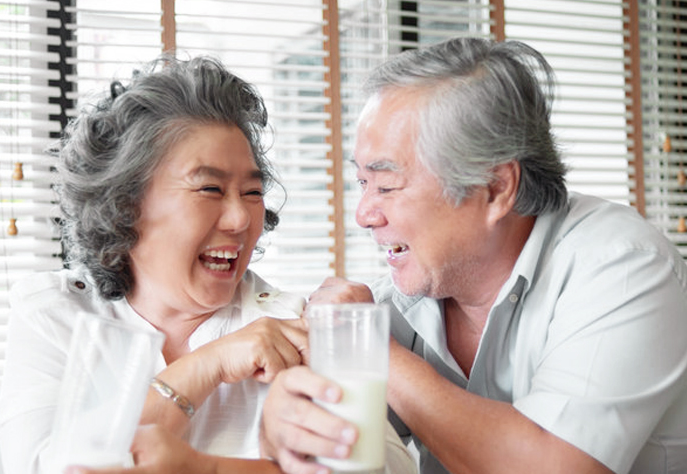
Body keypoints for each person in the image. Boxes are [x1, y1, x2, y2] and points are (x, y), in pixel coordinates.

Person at [258, 37, 687, 474]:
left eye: (386, 186)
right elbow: (333, 442)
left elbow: (553, 467)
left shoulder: (624, 267)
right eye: (361, 183)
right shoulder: (412, 294)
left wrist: (373, 351)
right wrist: (283, 426)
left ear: (496, 188)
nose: (363, 214)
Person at [0, 54, 415, 474]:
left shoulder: (293, 329)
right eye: (210, 188)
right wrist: (208, 365)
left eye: (251, 192)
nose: (239, 220)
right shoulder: (56, 315)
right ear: (124, 206)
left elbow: (393, 469)